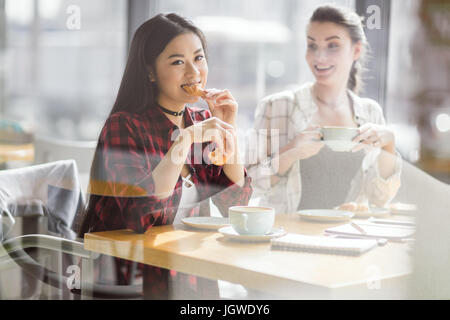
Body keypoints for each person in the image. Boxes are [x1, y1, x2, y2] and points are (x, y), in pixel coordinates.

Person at [79, 13, 252, 299]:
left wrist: (228, 128)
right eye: (177, 62)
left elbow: (236, 203)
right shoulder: (124, 126)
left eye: (199, 58)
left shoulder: (201, 121)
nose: (194, 73)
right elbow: (139, 217)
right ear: (150, 72)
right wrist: (183, 141)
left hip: (193, 274)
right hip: (135, 280)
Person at [247, 4, 402, 214]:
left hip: (348, 237)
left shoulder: (370, 113)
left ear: (356, 50)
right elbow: (248, 185)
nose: (319, 57)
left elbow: (380, 198)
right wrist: (291, 151)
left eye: (332, 46)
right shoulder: (276, 107)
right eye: (312, 45)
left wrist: (389, 144)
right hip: (286, 237)